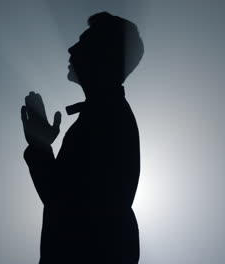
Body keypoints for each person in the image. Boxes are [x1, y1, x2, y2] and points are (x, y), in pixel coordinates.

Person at [20, 12, 144, 264]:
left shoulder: (107, 119)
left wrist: (40, 147)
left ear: (104, 56)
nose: (71, 47)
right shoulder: (104, 115)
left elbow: (68, 204)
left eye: (84, 41)